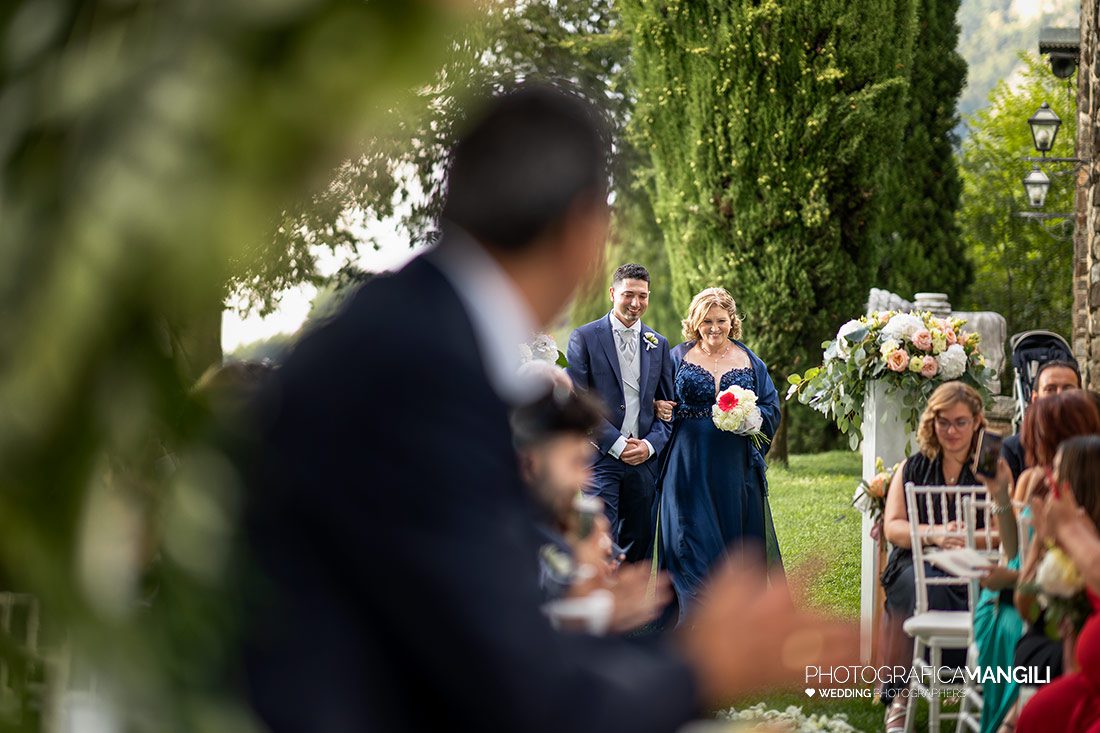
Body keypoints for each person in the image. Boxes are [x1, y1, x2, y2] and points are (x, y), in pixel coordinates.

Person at [240, 85, 857, 733]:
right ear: (584, 230)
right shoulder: (428, 369)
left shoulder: (403, 326)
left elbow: (452, 619)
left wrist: (588, 615)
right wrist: (704, 667)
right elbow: (516, 691)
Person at [653, 287, 782, 624]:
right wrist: (660, 407)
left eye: (721, 320)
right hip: (687, 466)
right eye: (706, 321)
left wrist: (753, 420)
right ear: (695, 322)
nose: (714, 327)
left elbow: (771, 405)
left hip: (733, 469)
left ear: (732, 321)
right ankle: (696, 623)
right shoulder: (676, 357)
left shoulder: (749, 360)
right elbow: (657, 399)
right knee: (690, 540)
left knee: (731, 546)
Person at [511, 383, 672, 633]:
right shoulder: (504, 535)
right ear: (530, 463)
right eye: (575, 463)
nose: (584, 480)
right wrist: (604, 609)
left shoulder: (569, 522)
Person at [877, 382, 985, 732]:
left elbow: (1004, 527)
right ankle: (902, 692)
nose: (951, 431)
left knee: (979, 589)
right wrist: (934, 534)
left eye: (960, 422)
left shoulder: (990, 469)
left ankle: (977, 682)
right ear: (932, 422)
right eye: (943, 422)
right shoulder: (913, 467)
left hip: (974, 560)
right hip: (915, 560)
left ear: (977, 422)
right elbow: (893, 527)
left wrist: (965, 538)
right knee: (920, 586)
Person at [566, 264, 675, 563]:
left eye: (642, 296)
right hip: (600, 458)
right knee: (600, 540)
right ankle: (601, 604)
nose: (635, 303)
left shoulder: (659, 343)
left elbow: (668, 407)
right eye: (628, 295)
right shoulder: (584, 338)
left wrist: (650, 445)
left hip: (644, 462)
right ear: (613, 293)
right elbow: (577, 400)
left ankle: (633, 607)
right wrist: (616, 443)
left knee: (639, 546)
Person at [1016, 435, 1100, 733]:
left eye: (1058, 473)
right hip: (1050, 639)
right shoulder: (1061, 533)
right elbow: (1025, 608)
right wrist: (1041, 542)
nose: (1049, 482)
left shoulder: (1085, 543)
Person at [1001, 359, 1081, 482]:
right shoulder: (1012, 449)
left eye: (1067, 388)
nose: (1059, 395)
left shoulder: (1093, 445)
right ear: (1035, 398)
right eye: (1050, 389)